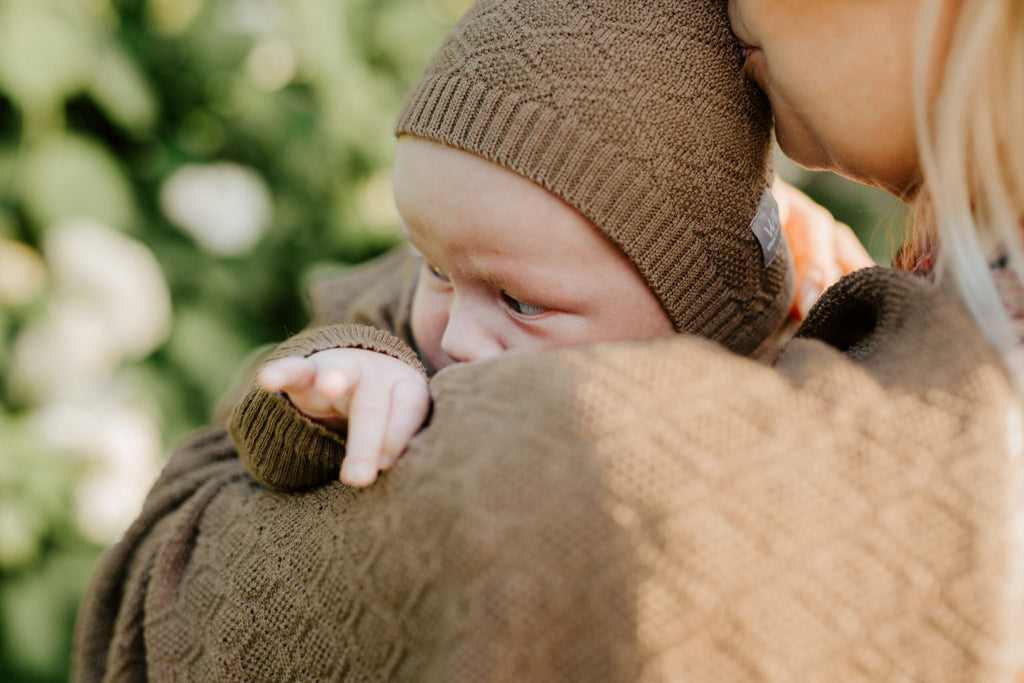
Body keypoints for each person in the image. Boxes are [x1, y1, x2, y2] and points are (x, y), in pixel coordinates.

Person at [72, 0, 1024, 681]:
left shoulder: (816, 305)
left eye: (519, 301)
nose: (448, 326)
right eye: (434, 269)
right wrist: (355, 381)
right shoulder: (936, 267)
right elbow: (294, 402)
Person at [235, 4, 795, 489]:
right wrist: (336, 397)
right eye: (433, 267)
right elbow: (260, 422)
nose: (454, 337)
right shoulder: (399, 326)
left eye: (521, 303)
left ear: (698, 319)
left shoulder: (775, 422)